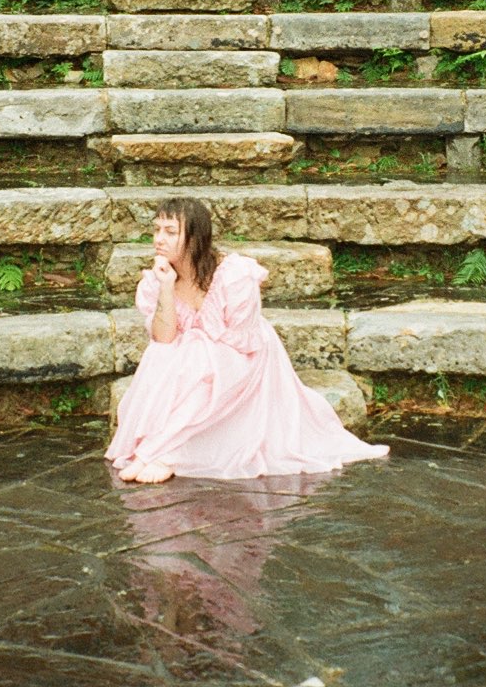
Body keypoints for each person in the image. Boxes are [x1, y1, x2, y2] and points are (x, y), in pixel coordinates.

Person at [106, 197, 390, 484]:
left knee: (200, 363)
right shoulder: (156, 280)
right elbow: (164, 338)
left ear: (195, 238)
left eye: (170, 232)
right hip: (194, 359)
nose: (158, 240)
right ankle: (162, 450)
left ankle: (159, 453)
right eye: (156, 230)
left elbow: (241, 343)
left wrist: (197, 350)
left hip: (245, 360)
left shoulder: (234, 275)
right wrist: (166, 287)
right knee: (163, 355)